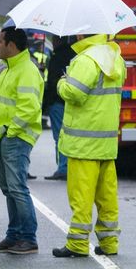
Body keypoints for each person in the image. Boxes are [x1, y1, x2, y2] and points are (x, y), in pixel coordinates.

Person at [51, 34, 127, 258]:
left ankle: (77, 243)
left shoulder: (86, 60)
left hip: (83, 143)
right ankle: (109, 242)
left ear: (84, 33)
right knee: (107, 196)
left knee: (81, 197)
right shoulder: (116, 58)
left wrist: (62, 82)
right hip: (106, 141)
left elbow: (75, 92)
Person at [0, 27, 43, 255]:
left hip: (14, 137)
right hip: (4, 136)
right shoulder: (10, 69)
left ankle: (28, 238)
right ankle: (14, 236)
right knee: (9, 189)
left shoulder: (26, 70)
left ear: (11, 45)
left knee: (17, 189)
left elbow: (29, 108)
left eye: (0, 41)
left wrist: (11, 130)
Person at [43, 35, 76, 180]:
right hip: (70, 101)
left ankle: (63, 168)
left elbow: (52, 81)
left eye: (54, 38)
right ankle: (68, 166)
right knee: (68, 135)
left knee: (59, 137)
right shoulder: (75, 55)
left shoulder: (57, 57)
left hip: (57, 101)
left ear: (59, 39)